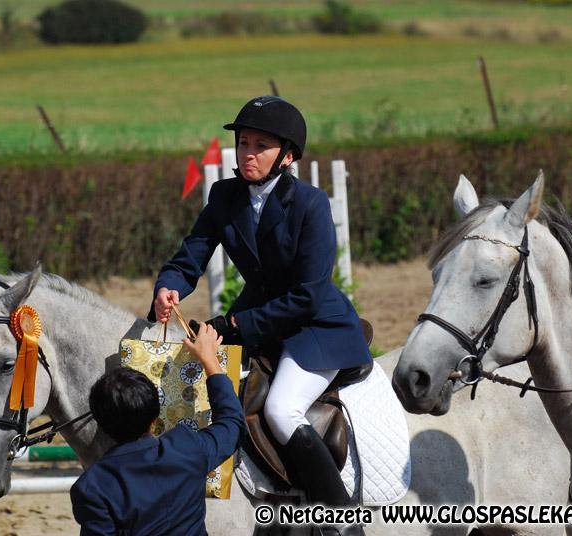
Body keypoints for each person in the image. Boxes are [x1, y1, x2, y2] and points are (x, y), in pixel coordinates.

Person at [150, 96, 372, 513]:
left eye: (260, 146)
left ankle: (341, 517)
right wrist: (168, 287)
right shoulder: (224, 196)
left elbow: (307, 296)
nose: (248, 154)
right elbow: (189, 258)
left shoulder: (311, 204)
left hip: (315, 326)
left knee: (281, 409)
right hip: (257, 317)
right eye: (244, 142)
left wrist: (234, 325)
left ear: (287, 156)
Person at [70, 323, 245, 536]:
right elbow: (232, 423)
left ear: (100, 423)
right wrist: (210, 361)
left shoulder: (93, 486)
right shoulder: (187, 448)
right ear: (155, 419)